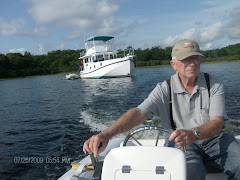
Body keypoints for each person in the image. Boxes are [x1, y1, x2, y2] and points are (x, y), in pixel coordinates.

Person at [83, 39, 240, 180]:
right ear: (174, 65)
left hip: (214, 138)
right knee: (189, 172)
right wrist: (106, 134)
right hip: (180, 141)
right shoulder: (164, 89)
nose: (192, 63)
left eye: (195, 58)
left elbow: (217, 122)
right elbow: (138, 113)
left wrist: (193, 133)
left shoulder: (214, 84)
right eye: (185, 59)